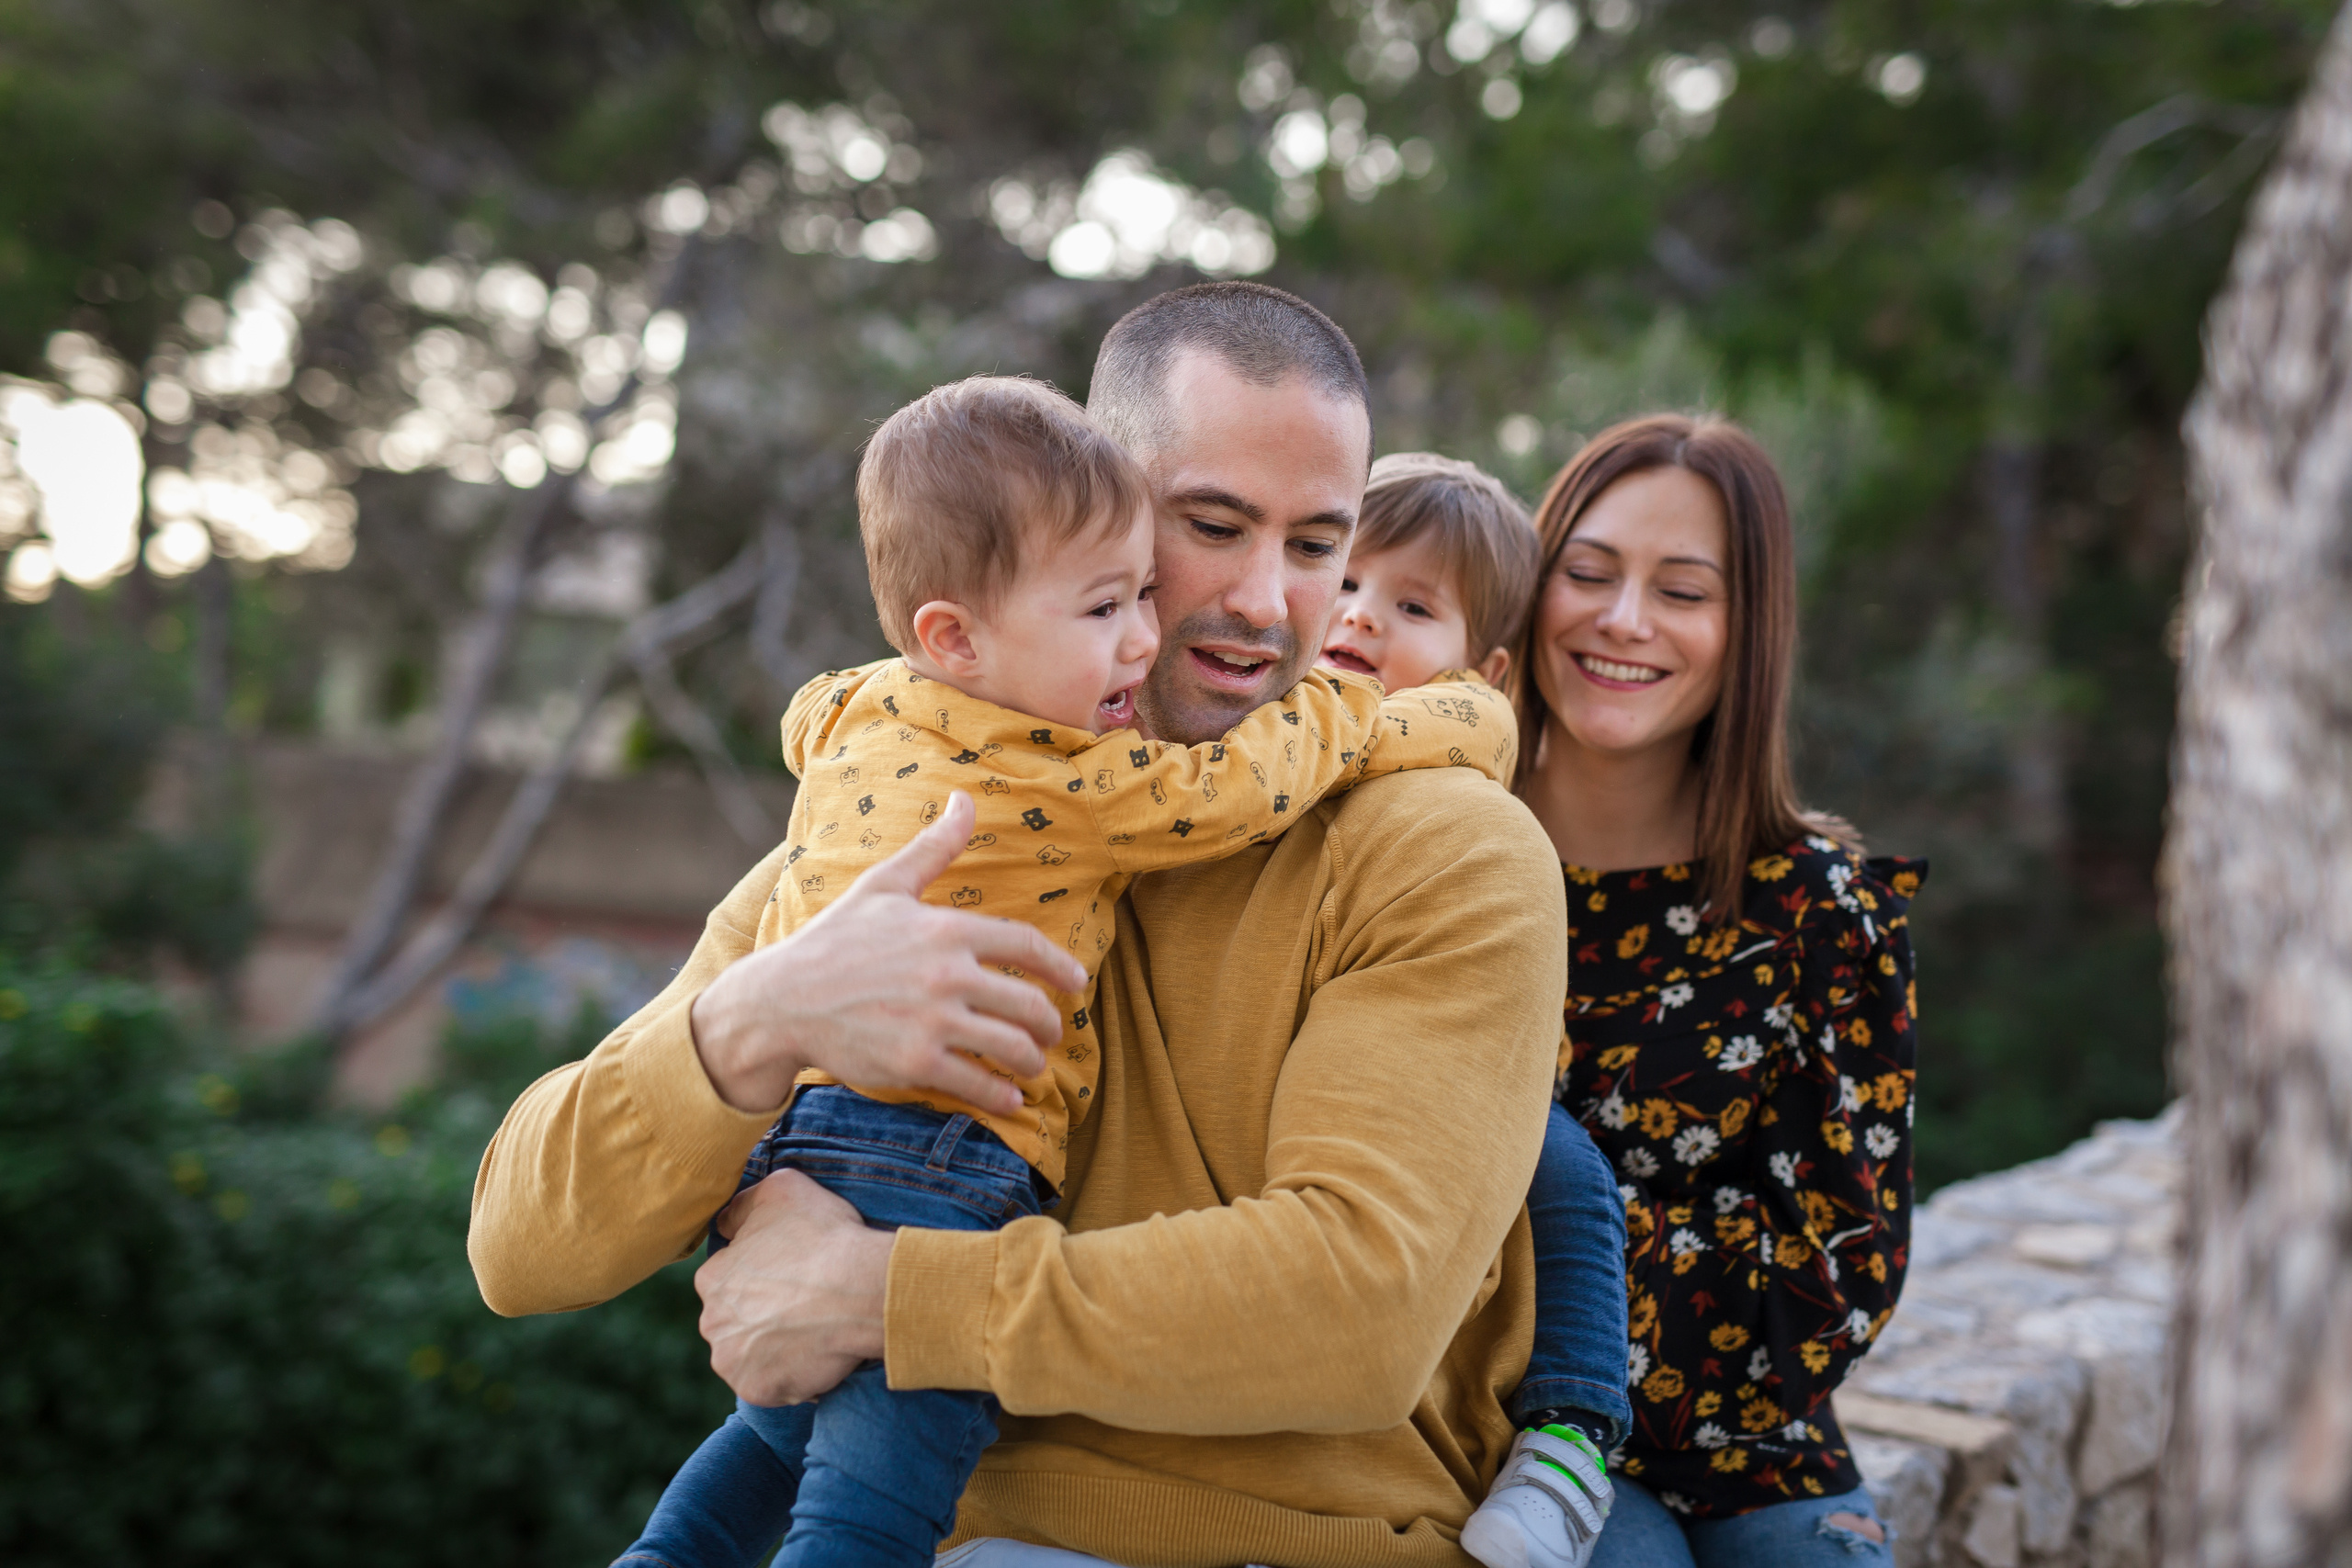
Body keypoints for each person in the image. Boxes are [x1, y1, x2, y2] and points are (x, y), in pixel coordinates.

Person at [469, 282, 1573, 1568]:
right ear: (1097, 504)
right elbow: (519, 1247)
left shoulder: (1447, 847)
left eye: (1318, 544)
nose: (1270, 602)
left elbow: (1361, 1311)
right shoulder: (925, 818)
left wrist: (881, 1296)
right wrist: (755, 1024)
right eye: (1213, 526)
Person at [1506, 414, 1926, 1567]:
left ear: (1748, 632)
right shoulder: (1430, 847)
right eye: (1587, 574)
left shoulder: (1824, 910)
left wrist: (1533, 1266)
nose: (1622, 619)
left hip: (1759, 1456)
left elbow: (1837, 1274)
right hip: (1491, 1443)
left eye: (1682, 591)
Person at [1320, 452, 1633, 1568]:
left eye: (1412, 607)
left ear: (1482, 670)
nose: (1361, 615)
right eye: (1341, 578)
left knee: (1567, 1174)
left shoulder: (1443, 743)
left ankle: (1571, 1435)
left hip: (1463, 1060)